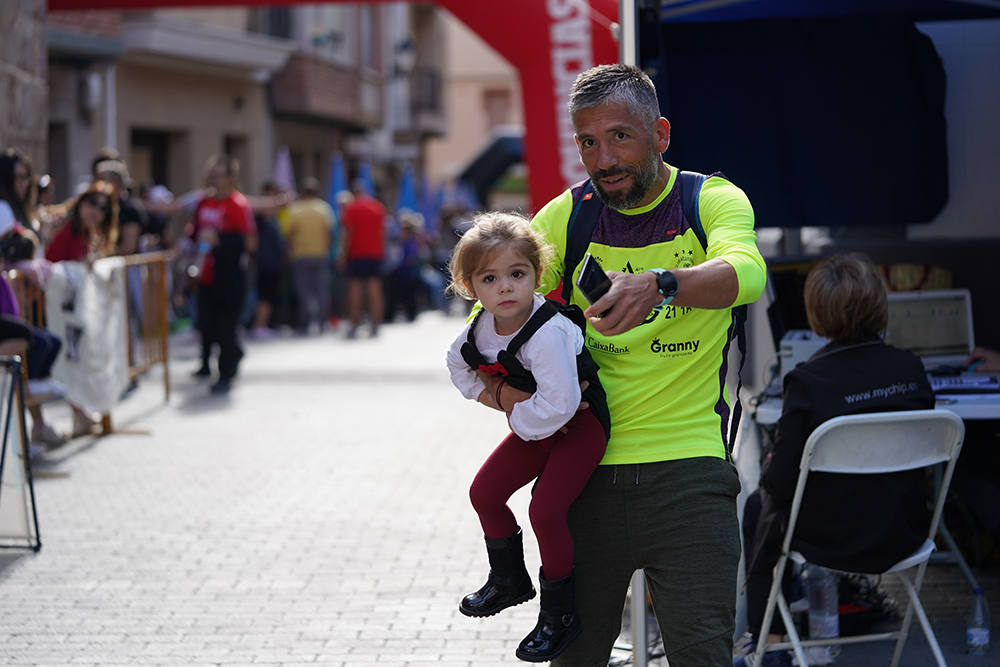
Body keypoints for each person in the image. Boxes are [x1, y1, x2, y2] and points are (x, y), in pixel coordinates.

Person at [470, 64, 767, 666]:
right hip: (583, 478)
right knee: (575, 659)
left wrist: (661, 284)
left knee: (703, 658)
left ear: (659, 134)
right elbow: (490, 321)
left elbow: (748, 273)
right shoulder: (565, 216)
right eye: (587, 142)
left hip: (690, 477)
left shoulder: (707, 199)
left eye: (620, 137)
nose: (603, 158)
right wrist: (508, 399)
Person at [737, 254, 935, 667]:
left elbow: (778, 483)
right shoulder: (912, 369)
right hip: (904, 533)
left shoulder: (808, 382)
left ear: (816, 314)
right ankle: (773, 636)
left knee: (760, 506)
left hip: (829, 540)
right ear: (880, 305)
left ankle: (768, 640)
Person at [445, 212, 612, 662]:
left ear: (536, 276)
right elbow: (458, 364)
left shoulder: (548, 332)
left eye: (517, 275)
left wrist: (515, 415)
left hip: (580, 428)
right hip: (537, 423)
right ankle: (509, 581)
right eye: (490, 278)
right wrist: (498, 396)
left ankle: (560, 615)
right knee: (484, 492)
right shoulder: (480, 328)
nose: (505, 288)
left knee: (545, 509)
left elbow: (561, 406)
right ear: (469, 286)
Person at [189, 154, 256, 394]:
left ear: (230, 178)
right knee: (207, 324)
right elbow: (193, 232)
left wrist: (221, 241)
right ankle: (224, 356)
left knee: (226, 325)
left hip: (229, 275)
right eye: (211, 175)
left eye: (218, 175)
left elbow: (249, 243)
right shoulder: (202, 203)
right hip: (204, 273)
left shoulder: (238, 204)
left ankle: (225, 373)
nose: (213, 180)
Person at [285, 177, 333, 334]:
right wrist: (327, 249)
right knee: (320, 289)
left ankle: (306, 322)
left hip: (301, 254)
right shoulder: (323, 208)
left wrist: (290, 251)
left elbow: (290, 234)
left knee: (303, 290)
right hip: (320, 254)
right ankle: (321, 322)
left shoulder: (296, 209)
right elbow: (328, 233)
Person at [339, 181, 385, 338]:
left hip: (357, 253)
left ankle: (353, 324)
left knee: (355, 290)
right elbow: (382, 232)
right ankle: (376, 324)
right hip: (375, 253)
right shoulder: (377, 207)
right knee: (375, 289)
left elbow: (347, 234)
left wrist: (343, 256)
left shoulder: (351, 209)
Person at [248, 180, 286, 339]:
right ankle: (259, 325)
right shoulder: (260, 218)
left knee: (270, 295)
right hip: (265, 262)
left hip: (273, 263)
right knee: (265, 295)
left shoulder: (272, 218)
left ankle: (264, 324)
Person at [0, 148, 34, 234]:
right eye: (20, 177)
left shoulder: (21, 208)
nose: (26, 183)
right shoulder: (2, 209)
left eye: (27, 176)